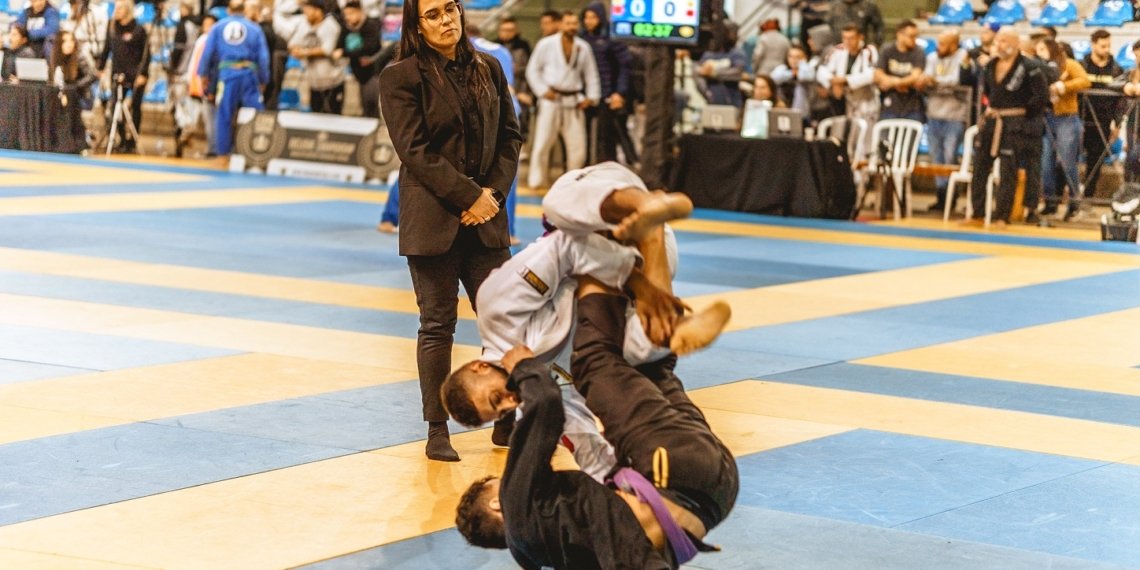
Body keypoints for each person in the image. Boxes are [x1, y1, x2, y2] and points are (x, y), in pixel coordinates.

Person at [455, 283, 738, 568]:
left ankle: (659, 318)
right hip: (674, 471)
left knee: (650, 370)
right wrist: (524, 368)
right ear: (496, 504)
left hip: (715, 499)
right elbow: (544, 405)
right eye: (501, 484)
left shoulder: (557, 553)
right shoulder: (516, 503)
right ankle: (601, 276)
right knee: (592, 359)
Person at [379, 0, 522, 462]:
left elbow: (510, 139)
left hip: (486, 221)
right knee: (438, 325)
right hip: (433, 220)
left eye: (451, 10)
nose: (446, 21)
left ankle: (504, 417)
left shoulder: (491, 67)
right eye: (434, 14)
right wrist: (469, 197)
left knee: (505, 322)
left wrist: (493, 197)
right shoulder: (400, 76)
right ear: (417, 25)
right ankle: (437, 429)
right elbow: (415, 151)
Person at [967, 27, 1048, 227]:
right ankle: (977, 213)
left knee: (1008, 170)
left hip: (1015, 123)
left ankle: (1002, 216)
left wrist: (1024, 114)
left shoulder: (1029, 67)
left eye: (1004, 41)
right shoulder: (990, 65)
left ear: (1015, 44)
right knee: (979, 167)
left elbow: (1041, 96)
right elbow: (987, 91)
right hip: (992, 120)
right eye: (998, 41)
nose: (999, 45)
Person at [525, 10, 599, 190]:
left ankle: (572, 183)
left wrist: (592, 97)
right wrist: (542, 91)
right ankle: (537, 181)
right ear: (561, 25)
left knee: (578, 148)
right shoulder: (546, 44)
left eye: (574, 24)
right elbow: (532, 70)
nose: (571, 27)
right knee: (543, 143)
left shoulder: (583, 47)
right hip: (551, 99)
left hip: (573, 100)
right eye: (568, 23)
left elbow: (591, 75)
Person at [198, 0, 270, 157]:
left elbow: (208, 53)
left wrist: (203, 74)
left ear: (229, 11)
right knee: (256, 114)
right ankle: (258, 151)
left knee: (224, 114)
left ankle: (222, 153)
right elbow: (263, 58)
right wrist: (264, 79)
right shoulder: (254, 29)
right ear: (244, 10)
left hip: (227, 75)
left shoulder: (218, 28)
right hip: (249, 75)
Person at [1036, 38, 1090, 220]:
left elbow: (1085, 81)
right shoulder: (1039, 66)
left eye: (1043, 48)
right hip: (1048, 117)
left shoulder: (1070, 64)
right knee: (1046, 162)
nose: (1040, 52)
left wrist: (1064, 86)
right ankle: (1050, 201)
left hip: (1067, 117)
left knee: (1067, 162)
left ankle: (1074, 203)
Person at [923, 29, 972, 213]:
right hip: (934, 114)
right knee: (937, 158)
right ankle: (941, 196)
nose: (938, 47)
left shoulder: (963, 56)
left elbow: (958, 80)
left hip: (955, 116)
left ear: (953, 44)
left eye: (943, 44)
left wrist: (936, 82)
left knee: (950, 156)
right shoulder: (932, 58)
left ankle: (951, 196)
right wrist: (936, 82)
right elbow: (927, 78)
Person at [98, 0, 150, 153]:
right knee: (115, 106)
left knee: (135, 107)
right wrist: (100, 67)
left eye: (119, 8)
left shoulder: (139, 30)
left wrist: (143, 74)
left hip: (135, 75)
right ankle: (121, 138)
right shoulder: (112, 28)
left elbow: (146, 55)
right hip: (117, 74)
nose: (116, 11)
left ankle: (132, 141)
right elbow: (106, 49)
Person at [1080, 29, 1125, 201]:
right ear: (1093, 45)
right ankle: (1064, 195)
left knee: (1095, 159)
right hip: (1081, 118)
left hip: (1104, 120)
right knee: (1065, 158)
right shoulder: (1082, 65)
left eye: (1108, 46)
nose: (1106, 49)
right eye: (1102, 46)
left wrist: (1117, 123)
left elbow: (1120, 102)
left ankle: (1087, 196)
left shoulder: (1116, 69)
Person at [817, 24, 878, 149]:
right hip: (846, 102)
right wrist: (832, 81)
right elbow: (822, 71)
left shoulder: (869, 51)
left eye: (851, 38)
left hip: (866, 102)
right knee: (848, 141)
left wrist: (844, 80)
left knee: (866, 143)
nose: (848, 42)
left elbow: (871, 75)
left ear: (861, 37)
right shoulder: (837, 50)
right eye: (845, 38)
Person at [289, 0, 343, 114]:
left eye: (308, 10)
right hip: (314, 82)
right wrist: (297, 50)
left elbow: (326, 49)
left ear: (318, 11)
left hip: (332, 81)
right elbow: (292, 44)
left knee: (333, 117)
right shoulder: (305, 24)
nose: (305, 13)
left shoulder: (330, 24)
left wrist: (303, 52)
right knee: (315, 115)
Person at [334, 0, 383, 118]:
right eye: (345, 14)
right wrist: (345, 52)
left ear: (360, 11)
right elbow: (338, 46)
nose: (347, 17)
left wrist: (345, 52)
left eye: (350, 13)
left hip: (372, 73)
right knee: (362, 109)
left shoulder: (371, 25)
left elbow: (368, 49)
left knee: (370, 107)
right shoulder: (346, 28)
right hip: (357, 72)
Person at [874, 19, 926, 122]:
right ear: (900, 35)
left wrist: (892, 83)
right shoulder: (887, 49)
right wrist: (903, 83)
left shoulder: (918, 51)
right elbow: (878, 75)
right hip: (889, 106)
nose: (914, 40)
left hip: (913, 107)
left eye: (916, 36)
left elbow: (915, 77)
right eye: (911, 36)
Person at [695, 22, 747, 108]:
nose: (733, 36)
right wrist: (706, 92)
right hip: (713, 99)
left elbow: (737, 72)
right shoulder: (709, 53)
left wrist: (713, 73)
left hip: (732, 100)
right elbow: (699, 71)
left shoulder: (737, 53)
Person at [51, 30, 98, 108]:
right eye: (65, 41)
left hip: (80, 97)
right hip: (64, 96)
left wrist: (74, 86)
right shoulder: (56, 59)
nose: (69, 44)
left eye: (71, 41)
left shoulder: (80, 58)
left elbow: (92, 76)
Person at [1119, 40, 1140, 183]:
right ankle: (1129, 190)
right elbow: (1112, 82)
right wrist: (1126, 86)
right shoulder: (1132, 72)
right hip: (1134, 118)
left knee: (1135, 155)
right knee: (1131, 155)